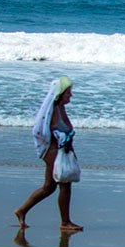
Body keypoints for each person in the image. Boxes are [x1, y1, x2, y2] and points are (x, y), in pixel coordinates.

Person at [15, 76, 83, 232]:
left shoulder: (60, 108)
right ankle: (65, 222)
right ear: (60, 93)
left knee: (49, 187)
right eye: (68, 93)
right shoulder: (52, 111)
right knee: (65, 184)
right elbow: (43, 131)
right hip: (53, 152)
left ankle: (21, 211)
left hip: (58, 151)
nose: (70, 95)